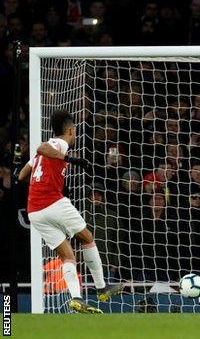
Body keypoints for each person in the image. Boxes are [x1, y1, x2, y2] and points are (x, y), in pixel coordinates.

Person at [18, 110, 124, 314]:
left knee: (68, 256)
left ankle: (76, 298)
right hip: (52, 202)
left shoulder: (43, 154)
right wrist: (73, 160)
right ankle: (102, 287)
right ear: (70, 130)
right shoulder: (59, 144)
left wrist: (18, 174)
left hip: (35, 211)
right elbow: (42, 147)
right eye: (74, 131)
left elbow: (23, 173)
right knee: (87, 238)